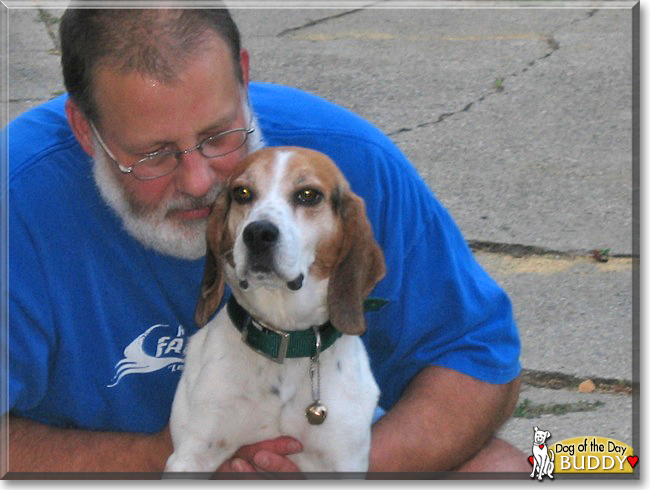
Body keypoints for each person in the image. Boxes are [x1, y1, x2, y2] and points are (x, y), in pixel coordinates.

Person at [5, 6, 528, 475]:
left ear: (244, 80)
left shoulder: (344, 163)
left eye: (218, 135)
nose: (199, 182)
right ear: (83, 128)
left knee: (503, 470)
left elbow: (477, 360)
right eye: (154, 155)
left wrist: (340, 468)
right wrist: (168, 457)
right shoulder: (16, 204)